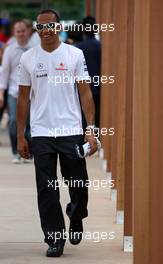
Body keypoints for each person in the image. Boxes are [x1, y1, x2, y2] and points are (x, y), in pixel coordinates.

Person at [17, 9, 97, 257]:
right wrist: (21, 134)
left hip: (70, 130)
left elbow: (85, 93)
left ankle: (76, 213)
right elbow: (22, 100)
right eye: (41, 26)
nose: (46, 30)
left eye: (51, 25)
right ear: (36, 30)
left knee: (78, 183)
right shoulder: (28, 58)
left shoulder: (74, 54)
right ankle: (54, 238)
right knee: (46, 188)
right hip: (41, 133)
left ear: (59, 26)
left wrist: (90, 129)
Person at [0, 20, 31, 163]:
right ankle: (16, 152)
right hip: (14, 93)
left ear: (28, 31)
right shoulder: (9, 50)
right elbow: (5, 73)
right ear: (14, 33)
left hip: (32, 94)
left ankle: (28, 152)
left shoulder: (35, 49)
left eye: (23, 31)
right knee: (13, 121)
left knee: (31, 124)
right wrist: (1, 93)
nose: (21, 34)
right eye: (18, 31)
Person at [77, 16, 101, 127]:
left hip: (83, 88)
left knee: (85, 120)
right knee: (98, 120)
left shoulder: (78, 48)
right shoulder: (101, 46)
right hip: (99, 87)